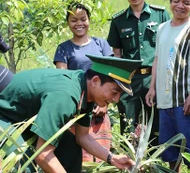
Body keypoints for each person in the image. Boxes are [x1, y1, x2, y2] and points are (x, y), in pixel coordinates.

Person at [0, 55, 141, 172]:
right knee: (22, 163)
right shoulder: (66, 97)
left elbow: (83, 136)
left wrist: (112, 158)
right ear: (95, 81)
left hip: (27, 119)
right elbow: (42, 154)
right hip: (5, 115)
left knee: (71, 149)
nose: (116, 100)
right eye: (114, 92)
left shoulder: (86, 90)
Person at [145, 0, 190, 172]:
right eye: (177, 0)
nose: (180, 6)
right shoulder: (162, 29)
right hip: (164, 101)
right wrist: (152, 88)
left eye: (186, 2)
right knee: (170, 152)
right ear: (170, 0)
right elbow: (157, 59)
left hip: (184, 101)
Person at [107, 0, 170, 146]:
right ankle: (130, 163)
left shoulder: (160, 15)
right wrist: (119, 85)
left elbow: (170, 47)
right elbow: (117, 55)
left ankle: (155, 165)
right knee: (127, 125)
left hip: (154, 78)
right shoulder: (118, 20)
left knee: (157, 124)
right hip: (130, 80)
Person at [53, 2, 113, 161]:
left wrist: (105, 104)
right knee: (81, 159)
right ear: (67, 23)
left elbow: (111, 76)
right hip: (76, 112)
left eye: (83, 19)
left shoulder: (101, 45)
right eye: (73, 20)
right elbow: (62, 78)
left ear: (89, 20)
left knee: (103, 157)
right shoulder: (63, 48)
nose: (79, 23)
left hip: (100, 111)